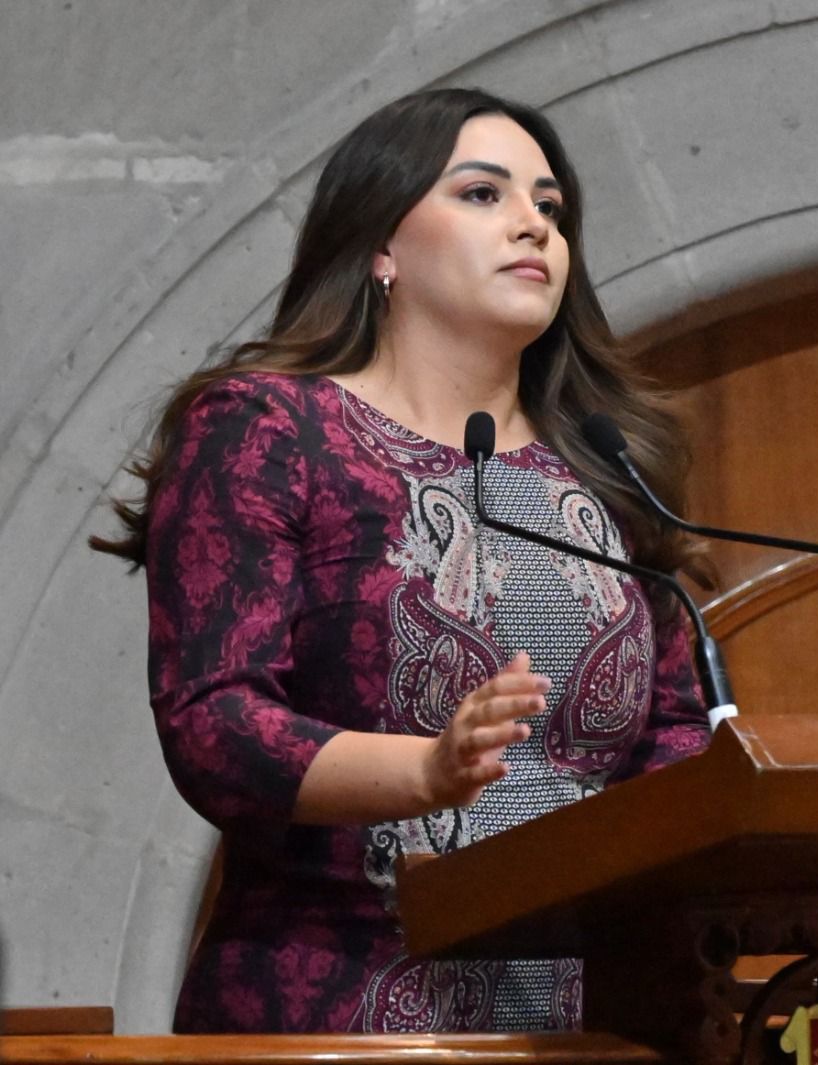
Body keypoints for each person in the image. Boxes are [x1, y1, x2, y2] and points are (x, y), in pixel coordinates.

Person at [89, 88, 712, 1033]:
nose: (533, 227)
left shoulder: (603, 464)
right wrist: (425, 770)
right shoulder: (271, 427)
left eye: (550, 207)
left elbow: (676, 729)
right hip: (339, 1003)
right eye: (482, 194)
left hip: (589, 1019)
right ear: (381, 245)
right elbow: (213, 721)